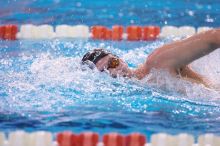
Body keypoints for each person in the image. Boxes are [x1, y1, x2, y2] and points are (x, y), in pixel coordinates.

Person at [82, 28, 220, 89]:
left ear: (121, 59)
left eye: (113, 62)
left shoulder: (157, 62)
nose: (114, 71)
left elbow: (213, 38)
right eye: (104, 71)